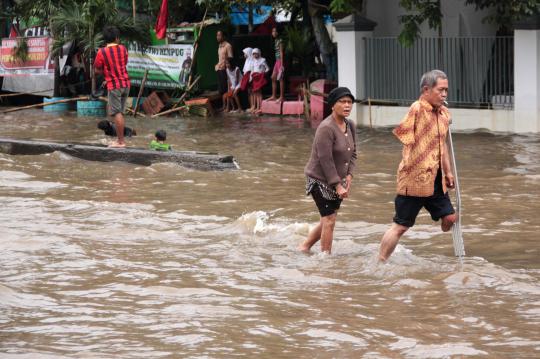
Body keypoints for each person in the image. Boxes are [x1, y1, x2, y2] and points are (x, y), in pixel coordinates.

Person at [378, 69, 457, 262]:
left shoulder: (443, 114)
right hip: (414, 180)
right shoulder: (417, 108)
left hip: (436, 179)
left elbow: (443, 145)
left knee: (450, 218)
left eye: (446, 90)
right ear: (426, 90)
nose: (445, 94)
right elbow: (403, 134)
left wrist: (448, 172)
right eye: (440, 90)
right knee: (401, 226)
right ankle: (380, 261)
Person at [298, 87, 357, 254]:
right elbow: (326, 160)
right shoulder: (326, 128)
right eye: (342, 102)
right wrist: (337, 185)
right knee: (329, 219)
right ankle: (326, 259)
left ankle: (304, 247)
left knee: (328, 218)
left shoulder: (350, 125)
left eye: (349, 102)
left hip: (338, 179)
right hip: (319, 179)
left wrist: (350, 175)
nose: (347, 105)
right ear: (332, 105)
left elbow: (354, 153)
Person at [94, 25, 130, 148]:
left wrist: (106, 73)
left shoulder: (101, 52)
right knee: (119, 112)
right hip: (126, 84)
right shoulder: (123, 49)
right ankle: (120, 139)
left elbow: (97, 70)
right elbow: (123, 64)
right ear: (117, 38)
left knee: (116, 113)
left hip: (115, 86)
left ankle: (120, 142)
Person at [215, 30, 233, 112]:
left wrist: (226, 63)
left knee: (226, 89)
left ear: (224, 36)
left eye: (219, 35)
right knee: (221, 89)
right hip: (219, 68)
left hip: (225, 69)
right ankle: (224, 106)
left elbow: (230, 57)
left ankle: (227, 107)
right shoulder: (219, 46)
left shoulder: (228, 45)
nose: (218, 37)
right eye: (217, 35)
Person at [267, 27, 285, 103]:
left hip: (280, 61)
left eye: (275, 31)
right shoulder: (276, 40)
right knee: (273, 78)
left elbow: (281, 52)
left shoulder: (280, 40)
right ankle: (274, 96)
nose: (273, 33)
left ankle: (281, 97)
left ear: (278, 32)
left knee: (281, 79)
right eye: (272, 31)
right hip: (277, 61)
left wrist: (282, 64)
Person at [250, 48, 269, 114]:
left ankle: (260, 108)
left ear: (259, 53)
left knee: (259, 93)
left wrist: (262, 74)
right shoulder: (253, 61)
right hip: (255, 77)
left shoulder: (263, 60)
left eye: (256, 53)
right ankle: (257, 107)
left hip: (260, 77)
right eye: (253, 54)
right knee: (256, 92)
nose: (255, 55)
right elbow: (252, 70)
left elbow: (267, 69)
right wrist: (251, 77)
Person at [240, 47, 254, 112]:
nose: (244, 55)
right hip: (247, 78)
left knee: (252, 92)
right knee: (249, 92)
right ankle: (251, 106)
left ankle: (254, 106)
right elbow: (245, 71)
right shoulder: (247, 61)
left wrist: (250, 78)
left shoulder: (252, 61)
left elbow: (252, 70)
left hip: (251, 78)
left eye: (245, 53)